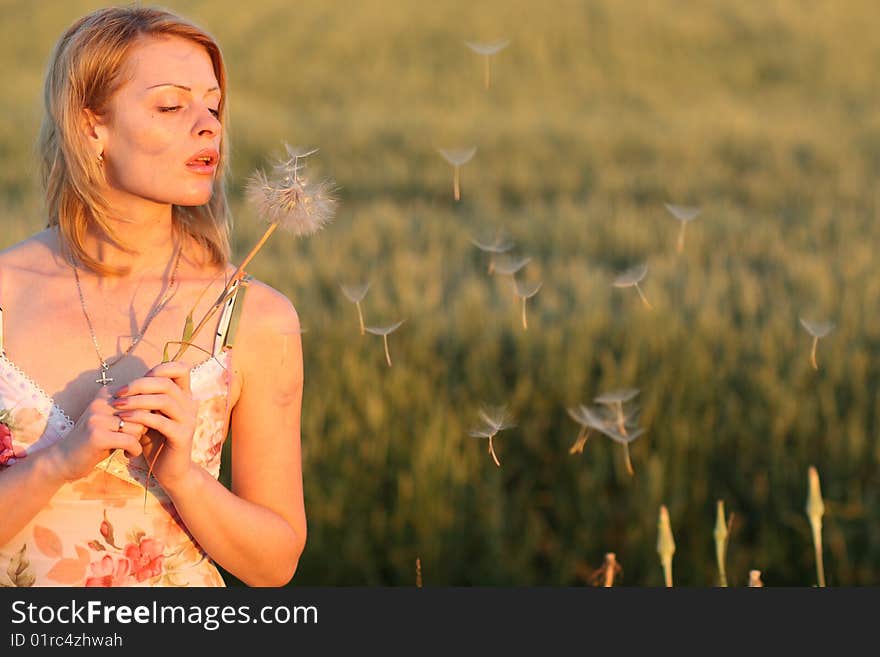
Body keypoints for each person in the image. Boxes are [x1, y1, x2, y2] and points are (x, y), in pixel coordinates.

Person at [0, 6, 306, 587]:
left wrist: (185, 478)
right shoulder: (4, 294)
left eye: (213, 106)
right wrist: (57, 465)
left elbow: (276, 565)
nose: (208, 125)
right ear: (92, 126)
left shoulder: (255, 318)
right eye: (171, 105)